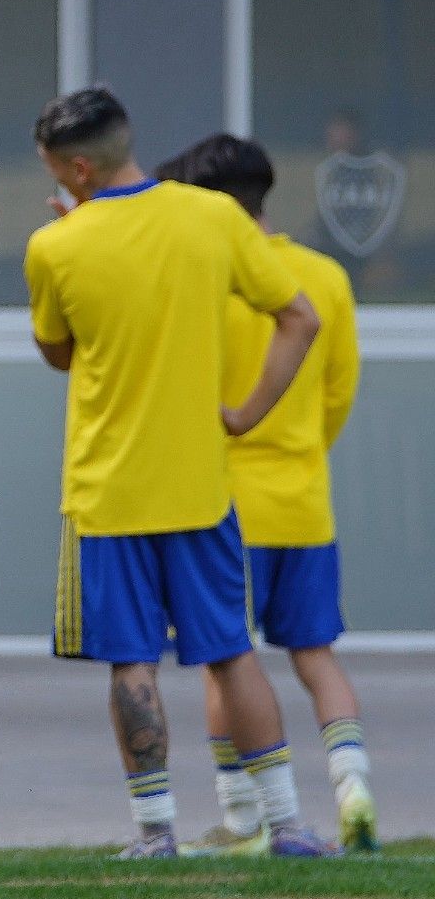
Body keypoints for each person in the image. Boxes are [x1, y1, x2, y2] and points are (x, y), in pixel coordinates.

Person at [25, 88, 335, 861]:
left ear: (79, 166)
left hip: (107, 490)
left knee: (132, 660)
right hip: (200, 482)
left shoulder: (57, 244)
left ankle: (155, 833)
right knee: (231, 650)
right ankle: (288, 824)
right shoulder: (215, 216)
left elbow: (61, 353)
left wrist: (77, 242)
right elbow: (301, 317)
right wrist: (247, 413)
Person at [155, 134, 377, 855]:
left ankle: (243, 815)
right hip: (305, 500)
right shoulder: (325, 277)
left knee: (227, 655)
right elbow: (340, 391)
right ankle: (354, 786)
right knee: (316, 654)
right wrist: (306, 449)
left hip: (224, 501)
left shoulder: (210, 282)